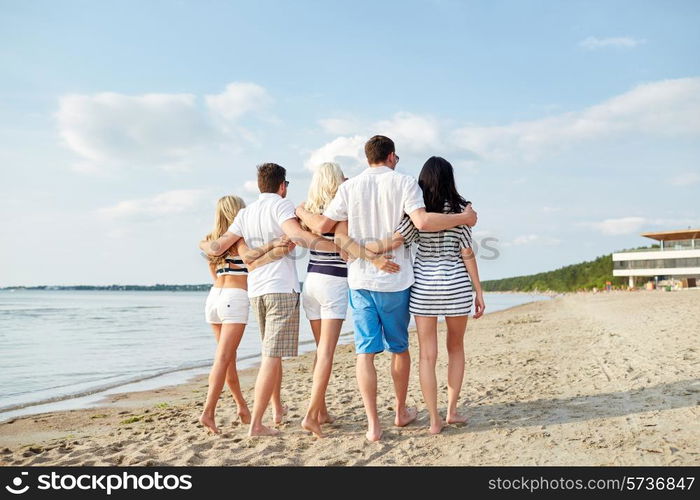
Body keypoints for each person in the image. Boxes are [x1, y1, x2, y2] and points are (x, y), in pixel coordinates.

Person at [296, 135, 477, 441]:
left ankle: (372, 426)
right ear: (391, 156)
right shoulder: (405, 183)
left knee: (365, 354)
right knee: (399, 349)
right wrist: (464, 218)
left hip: (360, 281)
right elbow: (420, 222)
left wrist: (300, 211)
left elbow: (326, 227)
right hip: (396, 281)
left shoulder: (348, 187)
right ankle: (400, 410)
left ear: (367, 158)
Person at [201, 163, 337, 437]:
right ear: (283, 186)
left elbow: (221, 248)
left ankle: (280, 413)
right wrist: (342, 247)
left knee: (270, 355)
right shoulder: (281, 207)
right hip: (280, 289)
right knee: (271, 357)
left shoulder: (245, 213)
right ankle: (256, 424)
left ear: (259, 185)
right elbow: (298, 236)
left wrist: (205, 245)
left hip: (256, 293)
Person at [359, 157, 485, 434]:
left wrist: (364, 250)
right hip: (456, 286)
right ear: (450, 179)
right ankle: (451, 411)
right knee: (456, 349)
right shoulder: (461, 211)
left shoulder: (418, 211)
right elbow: (467, 253)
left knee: (428, 356)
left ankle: (434, 420)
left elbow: (395, 241)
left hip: (425, 288)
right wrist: (478, 291)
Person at [198, 195, 294, 435]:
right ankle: (208, 412)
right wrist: (274, 247)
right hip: (234, 298)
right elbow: (250, 263)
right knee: (224, 359)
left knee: (227, 358)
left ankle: (242, 406)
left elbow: (212, 268)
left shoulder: (210, 241)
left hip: (214, 298)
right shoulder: (239, 238)